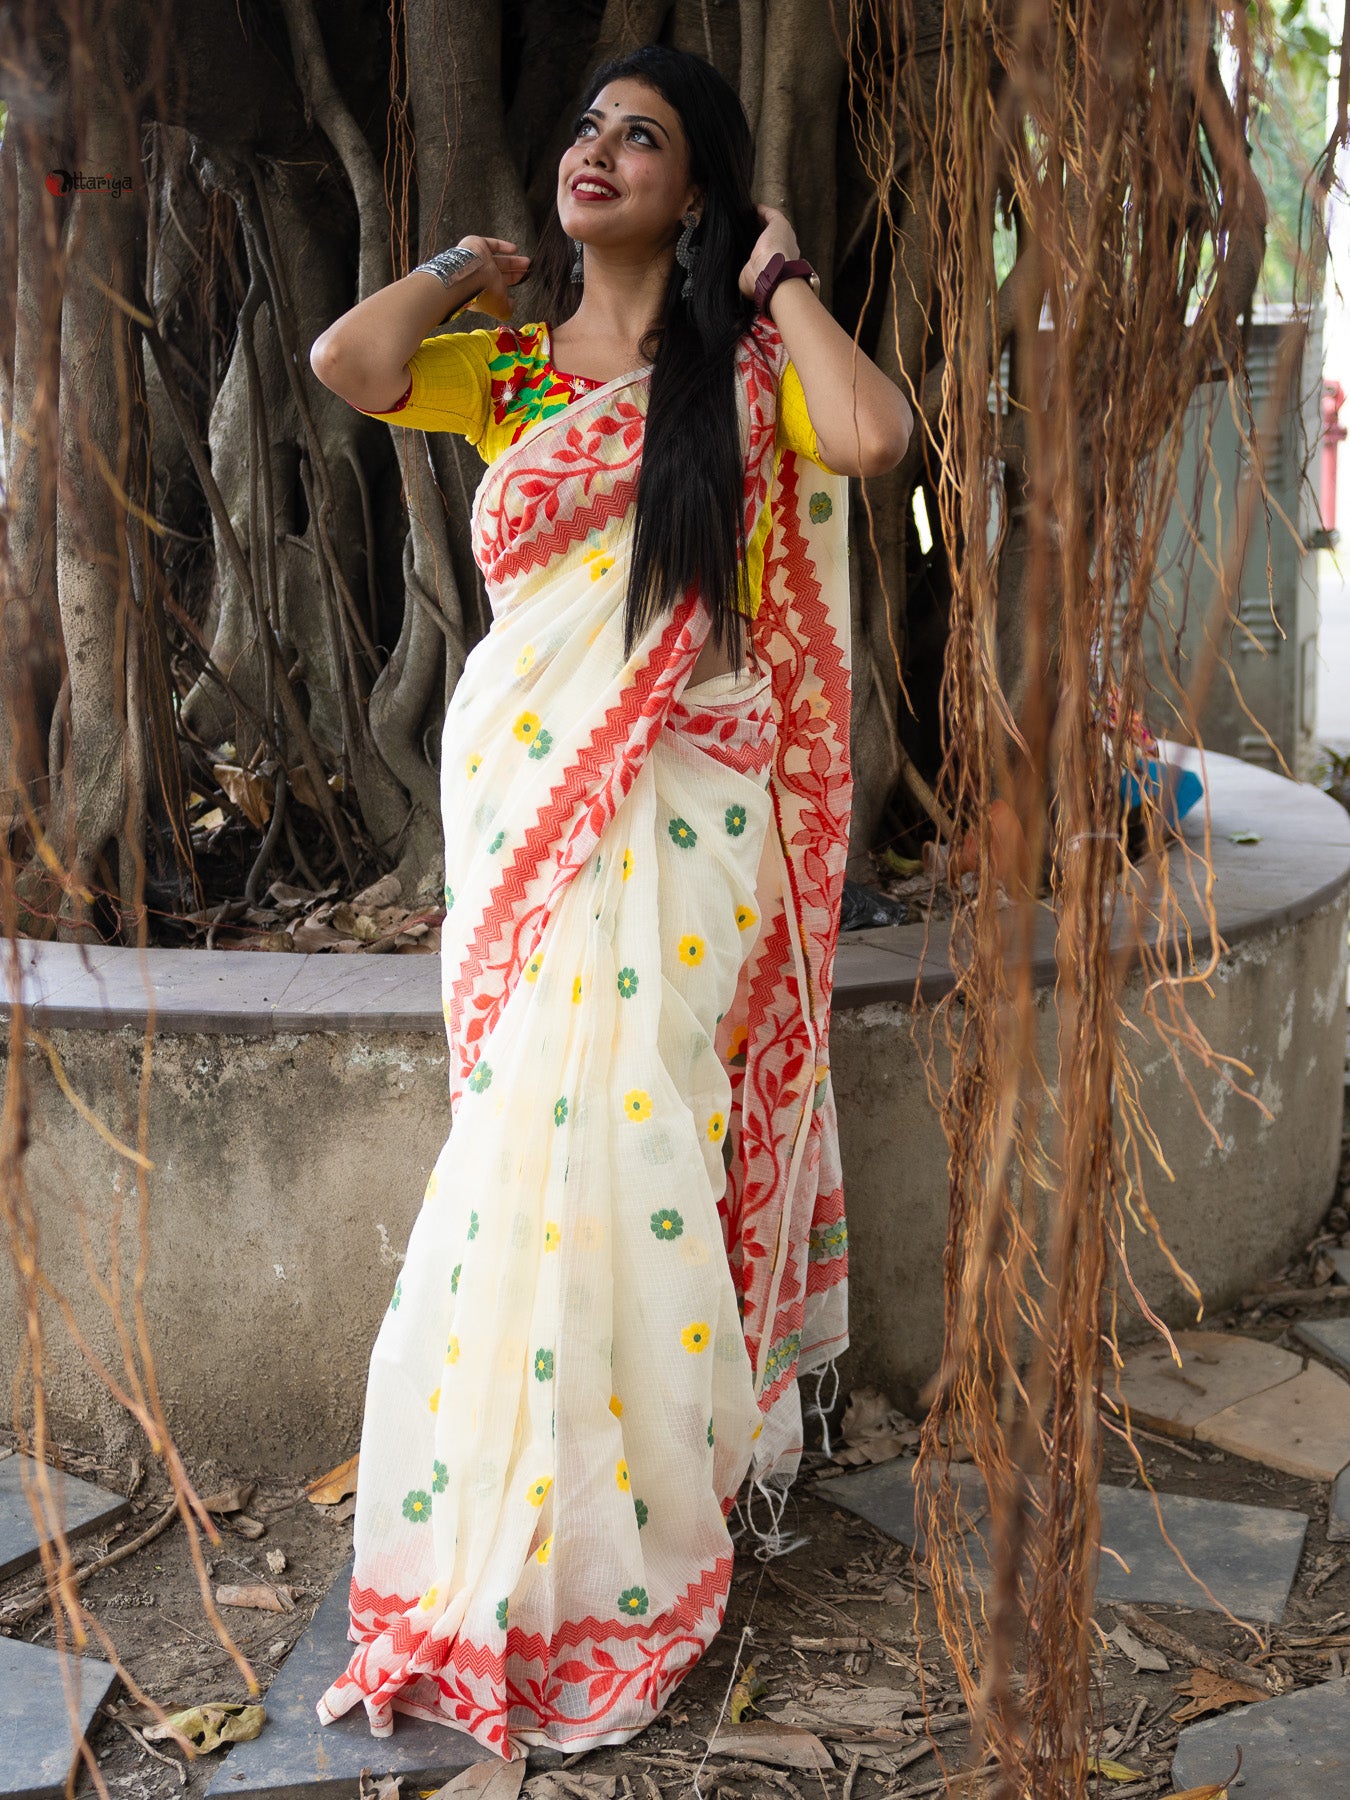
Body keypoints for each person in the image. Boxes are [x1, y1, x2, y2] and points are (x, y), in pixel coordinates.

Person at [307, 42, 911, 1760]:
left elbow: (871, 435)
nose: (595, 149)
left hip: (685, 827)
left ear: (696, 191)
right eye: (585, 125)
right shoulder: (499, 366)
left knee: (639, 1133)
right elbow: (346, 363)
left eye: (639, 137)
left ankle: (635, 1540)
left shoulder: (739, 376)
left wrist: (777, 280)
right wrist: (459, 263)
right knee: (520, 1148)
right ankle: (491, 1520)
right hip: (523, 811)